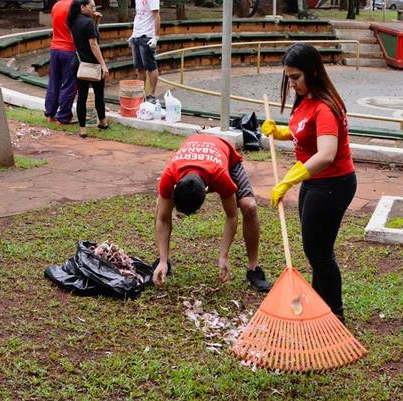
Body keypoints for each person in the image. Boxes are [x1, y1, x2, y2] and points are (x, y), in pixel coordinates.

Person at [261, 43, 357, 323]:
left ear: (313, 72)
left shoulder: (325, 107)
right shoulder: (306, 99)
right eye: (288, 78)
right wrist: (280, 132)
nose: (291, 84)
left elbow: (326, 154)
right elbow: (303, 132)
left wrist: (288, 181)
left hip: (332, 185)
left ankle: (335, 314)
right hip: (314, 183)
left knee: (320, 252)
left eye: (295, 78)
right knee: (314, 250)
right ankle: (320, 305)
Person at [153, 134, 272, 292]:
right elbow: (163, 219)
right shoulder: (170, 174)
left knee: (249, 206)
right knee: (161, 206)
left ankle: (253, 269)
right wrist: (162, 259)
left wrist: (223, 256)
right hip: (193, 148)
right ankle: (163, 262)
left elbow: (231, 215)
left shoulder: (220, 176)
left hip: (225, 157)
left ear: (208, 190)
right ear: (175, 187)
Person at [67, 0, 109, 138]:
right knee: (99, 95)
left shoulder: (73, 21)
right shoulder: (88, 22)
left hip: (79, 63)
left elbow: (89, 37)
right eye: (91, 7)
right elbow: (94, 43)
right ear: (82, 7)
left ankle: (82, 129)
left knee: (82, 96)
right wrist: (103, 64)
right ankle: (103, 122)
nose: (93, 9)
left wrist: (95, 21)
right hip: (92, 64)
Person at [44, 0, 77, 125]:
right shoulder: (76, 6)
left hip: (55, 48)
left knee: (54, 82)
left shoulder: (57, 5)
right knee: (69, 84)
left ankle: (50, 114)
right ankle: (63, 116)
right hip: (69, 49)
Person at [128, 0, 160, 103]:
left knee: (151, 67)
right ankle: (140, 94)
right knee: (139, 68)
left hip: (147, 36)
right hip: (137, 36)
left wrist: (156, 37)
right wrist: (133, 34)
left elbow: (156, 16)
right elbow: (138, 16)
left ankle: (152, 94)